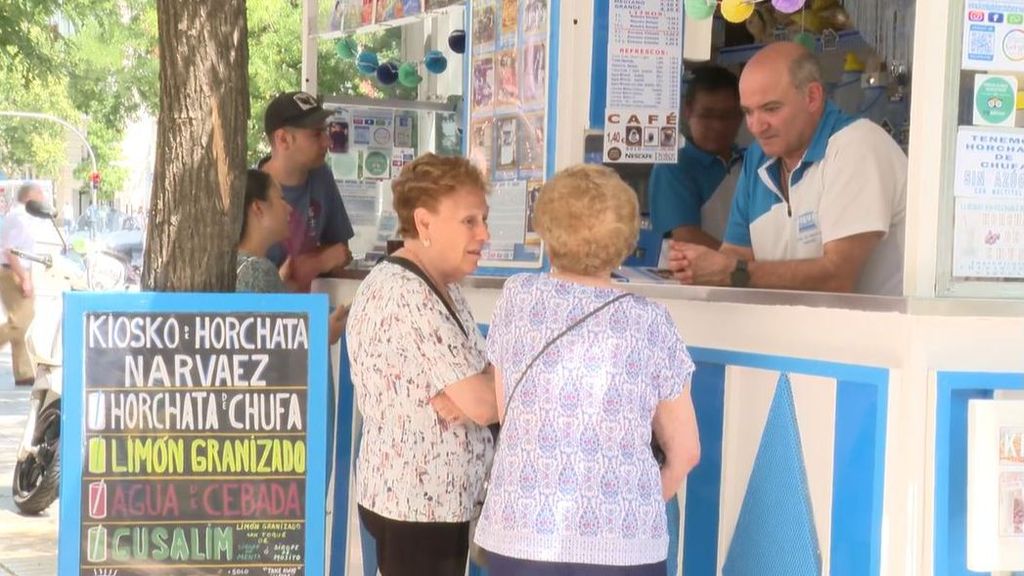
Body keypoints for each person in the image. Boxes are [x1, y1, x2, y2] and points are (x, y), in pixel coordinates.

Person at [473, 165, 701, 575]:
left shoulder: (519, 299)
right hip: (625, 549)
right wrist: (634, 510)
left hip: (520, 533)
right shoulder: (651, 322)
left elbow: (510, 413)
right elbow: (686, 452)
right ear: (628, 239)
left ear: (545, 228)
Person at [346, 153, 498, 576]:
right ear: (425, 222)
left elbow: (486, 382)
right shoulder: (406, 292)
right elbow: (484, 403)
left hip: (434, 503)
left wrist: (483, 388)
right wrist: (481, 393)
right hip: (417, 505)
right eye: (469, 221)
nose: (484, 233)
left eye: (483, 219)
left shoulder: (439, 285)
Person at [668, 42, 907, 295]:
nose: (756, 127)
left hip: (873, 333)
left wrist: (731, 272)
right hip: (788, 332)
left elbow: (838, 277)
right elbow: (735, 255)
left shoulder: (857, 145)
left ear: (812, 97)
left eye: (770, 109)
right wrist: (700, 267)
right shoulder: (757, 158)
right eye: (748, 112)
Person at [236, 169, 346, 343]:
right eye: (281, 199)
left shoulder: (237, 264)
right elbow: (272, 347)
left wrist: (279, 283)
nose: (289, 208)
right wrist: (324, 334)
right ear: (258, 208)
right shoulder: (257, 270)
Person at [260, 91, 355, 292]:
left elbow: (339, 254)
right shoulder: (250, 190)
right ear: (283, 139)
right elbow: (258, 282)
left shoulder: (322, 177)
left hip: (317, 310)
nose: (328, 142)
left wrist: (308, 265)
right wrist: (318, 262)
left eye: (326, 131)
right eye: (316, 134)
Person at [648, 65, 745, 251]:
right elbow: (686, 238)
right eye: (706, 115)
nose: (717, 126)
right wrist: (747, 266)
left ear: (741, 115)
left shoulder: (749, 164)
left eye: (726, 116)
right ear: (688, 111)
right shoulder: (672, 166)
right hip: (695, 277)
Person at [0, 183, 45, 386]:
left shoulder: (22, 218)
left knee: (22, 321)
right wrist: (24, 277)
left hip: (17, 271)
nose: (43, 199)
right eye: (39, 195)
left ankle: (24, 372)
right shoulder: (19, 220)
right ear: (29, 198)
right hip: (12, 272)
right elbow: (10, 251)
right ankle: (24, 371)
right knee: (20, 321)